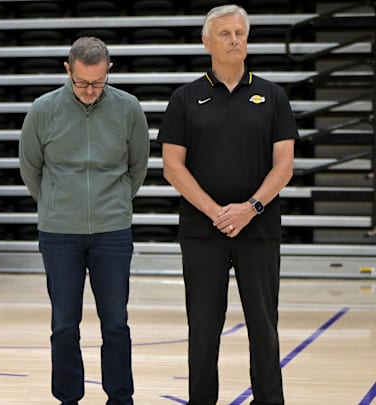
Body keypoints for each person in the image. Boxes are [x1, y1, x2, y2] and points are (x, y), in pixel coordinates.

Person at [157, 5, 298, 405]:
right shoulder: (185, 98)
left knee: (264, 326)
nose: (235, 40)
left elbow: (284, 165)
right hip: (203, 231)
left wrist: (249, 208)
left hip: (260, 229)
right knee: (203, 326)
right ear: (207, 42)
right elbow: (172, 166)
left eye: (240, 33)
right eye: (225, 34)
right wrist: (216, 212)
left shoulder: (273, 95)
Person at [19, 36, 150, 404]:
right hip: (59, 233)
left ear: (109, 70)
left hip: (113, 232)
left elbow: (137, 166)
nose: (90, 90)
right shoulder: (43, 110)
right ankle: (68, 397)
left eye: (98, 82)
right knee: (63, 325)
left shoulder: (129, 108)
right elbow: (31, 168)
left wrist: (118, 202)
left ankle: (120, 397)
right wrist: (54, 203)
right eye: (82, 83)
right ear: (67, 70)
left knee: (116, 324)